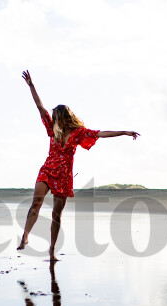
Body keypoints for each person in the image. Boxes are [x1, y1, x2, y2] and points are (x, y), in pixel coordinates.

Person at [17, 70, 139, 260]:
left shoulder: (78, 133)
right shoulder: (52, 130)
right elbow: (40, 107)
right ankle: (25, 236)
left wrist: (124, 132)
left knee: (56, 215)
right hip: (48, 170)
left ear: (62, 117)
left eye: (55, 116)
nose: (53, 119)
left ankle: (51, 251)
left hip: (64, 176)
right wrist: (31, 86)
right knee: (36, 203)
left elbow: (100, 134)